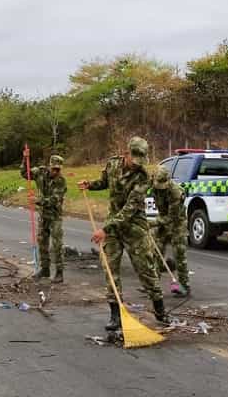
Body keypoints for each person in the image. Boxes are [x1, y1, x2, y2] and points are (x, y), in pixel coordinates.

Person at [79, 137, 168, 331]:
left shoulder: (144, 177)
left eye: (140, 161)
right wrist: (90, 185)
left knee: (146, 269)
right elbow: (104, 182)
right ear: (125, 153)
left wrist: (104, 229)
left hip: (134, 226)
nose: (136, 165)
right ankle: (115, 315)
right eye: (133, 159)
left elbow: (129, 209)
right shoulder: (112, 164)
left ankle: (160, 310)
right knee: (110, 269)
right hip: (113, 227)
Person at [22, 155, 68, 283]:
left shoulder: (61, 181)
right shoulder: (40, 172)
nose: (56, 172)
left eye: (58, 169)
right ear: (49, 166)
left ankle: (59, 272)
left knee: (57, 244)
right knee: (42, 241)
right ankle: (45, 269)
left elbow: (54, 200)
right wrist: (25, 159)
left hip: (55, 216)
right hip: (43, 215)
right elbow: (26, 174)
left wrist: (37, 200)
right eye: (54, 169)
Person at [151, 165, 189, 297]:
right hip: (162, 219)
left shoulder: (176, 192)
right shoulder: (152, 183)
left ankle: (184, 286)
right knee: (156, 252)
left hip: (177, 223)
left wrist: (151, 222)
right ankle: (153, 285)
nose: (160, 187)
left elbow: (171, 217)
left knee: (179, 254)